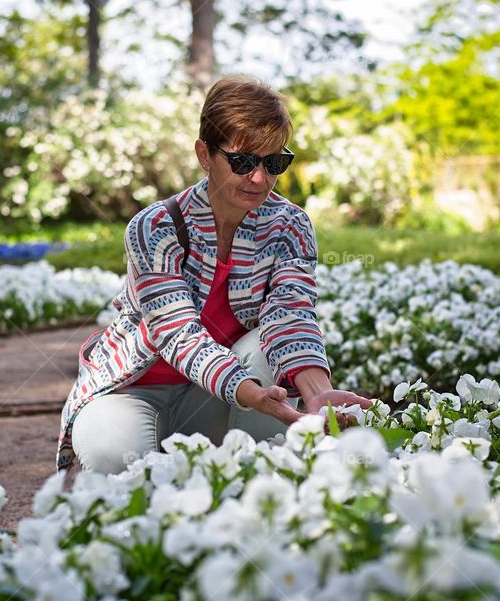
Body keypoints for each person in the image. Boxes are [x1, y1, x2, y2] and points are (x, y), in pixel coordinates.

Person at [55, 75, 372, 474]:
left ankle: (249, 497)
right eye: (242, 161)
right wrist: (248, 393)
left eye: (274, 162)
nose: (260, 178)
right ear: (205, 154)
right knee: (119, 462)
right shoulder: (155, 227)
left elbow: (291, 315)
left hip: (219, 401)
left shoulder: (290, 225)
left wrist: (317, 392)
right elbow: (176, 333)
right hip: (133, 392)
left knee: (262, 351)